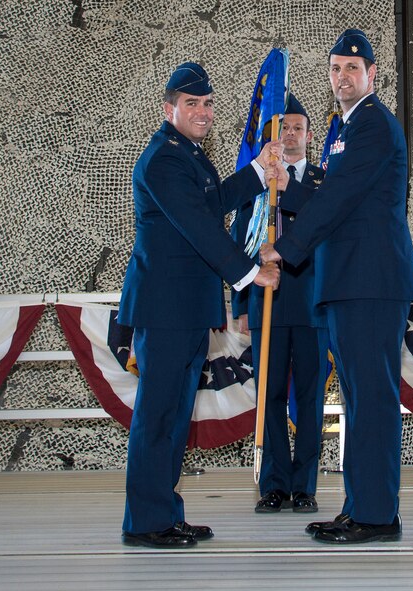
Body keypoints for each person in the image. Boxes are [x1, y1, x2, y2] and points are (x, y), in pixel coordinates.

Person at [260, 30, 413, 544]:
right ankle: (361, 506)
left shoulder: (373, 125)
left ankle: (376, 515)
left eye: (353, 68)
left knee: (372, 398)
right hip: (348, 283)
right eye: (335, 68)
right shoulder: (341, 131)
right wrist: (290, 188)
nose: (343, 76)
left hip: (369, 283)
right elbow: (331, 195)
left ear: (373, 75)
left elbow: (340, 201)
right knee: (358, 397)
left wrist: (282, 250)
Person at [118, 62, 282, 549]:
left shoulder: (187, 155)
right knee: (159, 416)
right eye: (192, 104)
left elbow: (212, 201)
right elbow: (197, 223)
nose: (203, 112)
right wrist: (251, 273)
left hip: (185, 308)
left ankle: (164, 514)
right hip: (167, 309)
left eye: (208, 104)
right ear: (170, 108)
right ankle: (147, 521)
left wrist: (256, 170)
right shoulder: (164, 158)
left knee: (171, 418)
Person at [231, 94, 329, 514]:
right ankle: (273, 484)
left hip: (310, 304)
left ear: (309, 135)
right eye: (283, 127)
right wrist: (238, 305)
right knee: (268, 395)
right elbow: (239, 242)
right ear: (273, 134)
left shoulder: (324, 184)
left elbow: (330, 238)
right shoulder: (257, 181)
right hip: (265, 300)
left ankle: (305, 485)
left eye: (297, 128)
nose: (289, 134)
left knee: (309, 397)